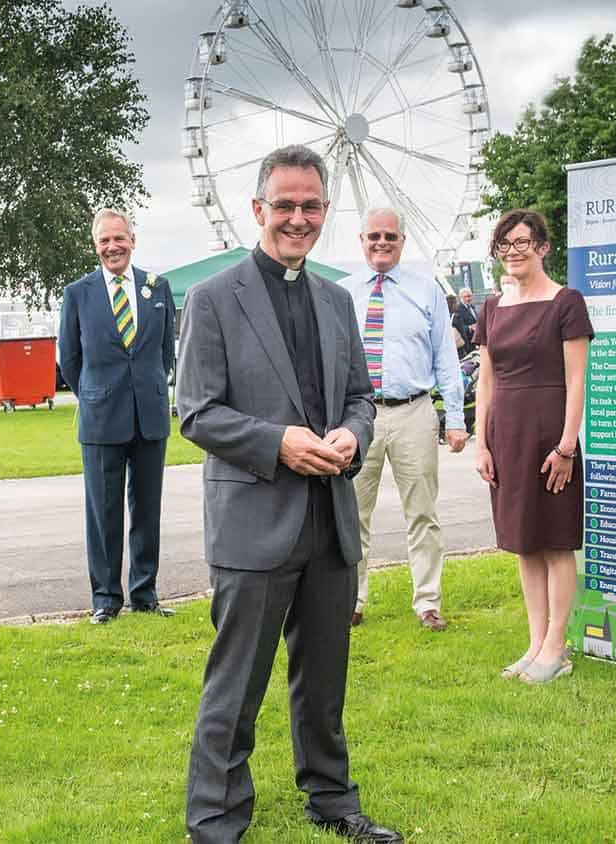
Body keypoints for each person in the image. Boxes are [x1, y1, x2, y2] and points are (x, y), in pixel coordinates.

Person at [178, 145, 400, 844]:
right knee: (236, 686)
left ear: (325, 211)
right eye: (285, 206)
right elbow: (196, 411)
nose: (297, 219)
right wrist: (277, 442)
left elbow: (363, 398)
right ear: (257, 210)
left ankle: (332, 802)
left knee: (324, 682)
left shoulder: (338, 300)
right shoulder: (213, 298)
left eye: (310, 206)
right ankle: (215, 821)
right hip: (254, 521)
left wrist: (351, 436)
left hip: (330, 518)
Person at [472, 209, 593, 685]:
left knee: (557, 542)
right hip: (507, 437)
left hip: (550, 437)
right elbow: (485, 380)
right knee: (525, 545)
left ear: (543, 247)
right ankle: (536, 642)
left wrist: (566, 447)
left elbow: (576, 378)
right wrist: (482, 444)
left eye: (523, 242)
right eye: (505, 244)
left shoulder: (567, 302)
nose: (513, 252)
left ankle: (557, 648)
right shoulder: (490, 307)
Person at [339, 208, 467, 631]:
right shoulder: (342, 293)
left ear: (402, 241)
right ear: (361, 240)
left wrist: (455, 418)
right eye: (374, 235)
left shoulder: (425, 290)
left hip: (413, 410)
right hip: (358, 415)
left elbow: (445, 358)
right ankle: (351, 600)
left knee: (422, 512)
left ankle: (428, 602)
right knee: (352, 513)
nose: (381, 242)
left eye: (390, 236)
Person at [58, 209, 177, 625]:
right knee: (103, 512)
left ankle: (145, 593)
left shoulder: (157, 288)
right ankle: (106, 598)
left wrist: (144, 388)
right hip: (101, 418)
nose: (112, 247)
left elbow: (165, 353)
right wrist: (95, 394)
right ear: (96, 246)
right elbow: (69, 360)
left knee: (147, 508)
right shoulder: (78, 293)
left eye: (119, 239)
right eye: (104, 241)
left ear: (132, 240)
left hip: (150, 415)